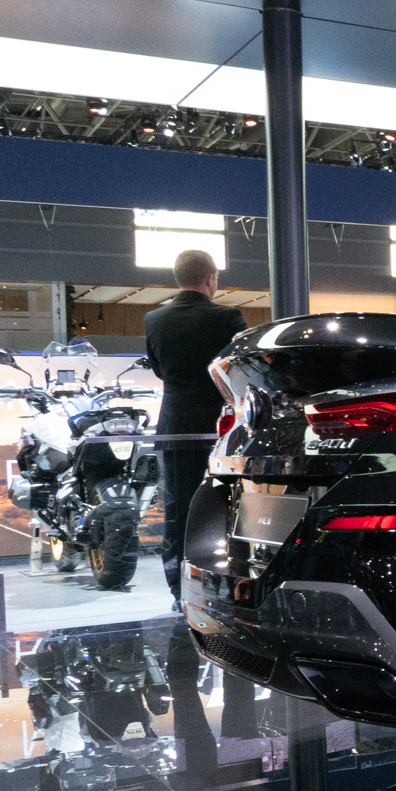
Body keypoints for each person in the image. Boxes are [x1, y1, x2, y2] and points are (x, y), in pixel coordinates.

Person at [144, 248, 246, 605]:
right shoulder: (227, 317)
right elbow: (240, 368)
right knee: (231, 508)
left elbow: (159, 370)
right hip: (222, 428)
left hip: (175, 426)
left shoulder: (154, 319)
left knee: (179, 512)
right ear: (209, 278)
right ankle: (227, 586)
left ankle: (179, 589)